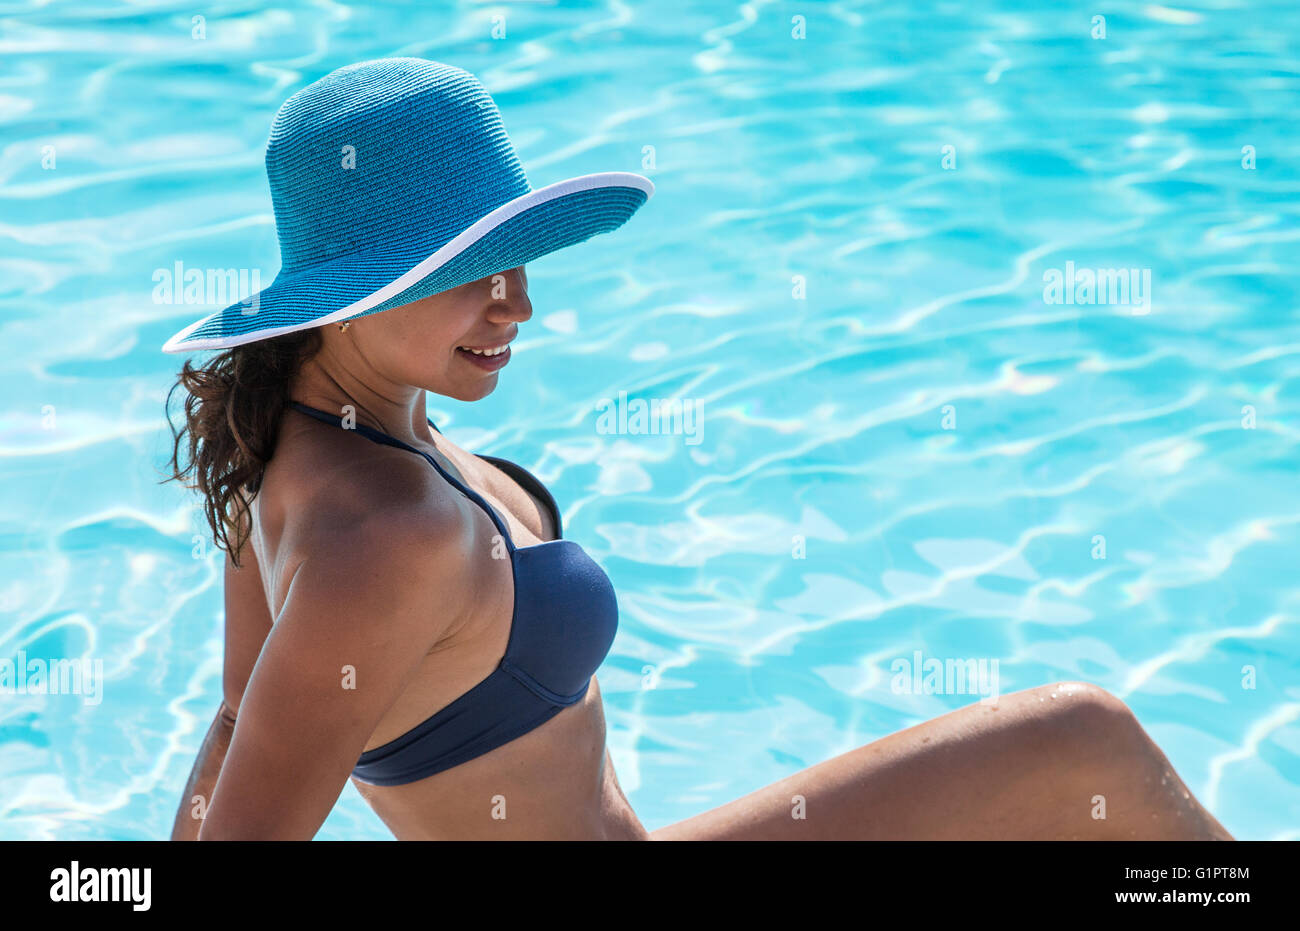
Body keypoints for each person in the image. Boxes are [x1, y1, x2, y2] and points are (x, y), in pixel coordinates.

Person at [162, 58, 1232, 841]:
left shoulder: (305, 450)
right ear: (354, 292)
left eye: (518, 260)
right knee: (1080, 741)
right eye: (474, 268)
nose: (519, 302)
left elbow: (229, 727)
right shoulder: (382, 533)